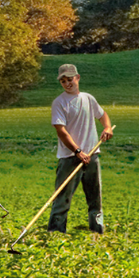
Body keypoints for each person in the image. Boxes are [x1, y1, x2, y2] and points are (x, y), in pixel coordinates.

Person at [49, 63, 115, 234]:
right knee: (62, 199)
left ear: (77, 78)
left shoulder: (88, 98)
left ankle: (97, 232)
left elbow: (102, 115)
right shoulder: (59, 103)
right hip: (70, 158)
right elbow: (61, 131)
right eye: (63, 81)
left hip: (92, 156)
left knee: (95, 200)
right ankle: (55, 233)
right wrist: (78, 151)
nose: (67, 83)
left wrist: (107, 127)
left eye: (70, 79)